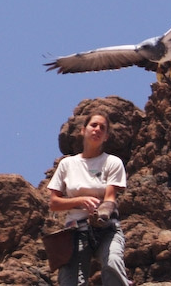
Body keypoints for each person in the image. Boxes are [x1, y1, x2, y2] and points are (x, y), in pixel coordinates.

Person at [48, 110, 131, 286]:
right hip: (76, 231)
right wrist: (80, 201)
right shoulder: (67, 164)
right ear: (83, 130)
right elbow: (54, 203)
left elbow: (110, 198)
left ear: (106, 137)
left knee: (113, 264)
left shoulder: (112, 162)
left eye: (102, 128)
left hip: (106, 228)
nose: (97, 129)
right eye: (93, 125)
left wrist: (102, 214)